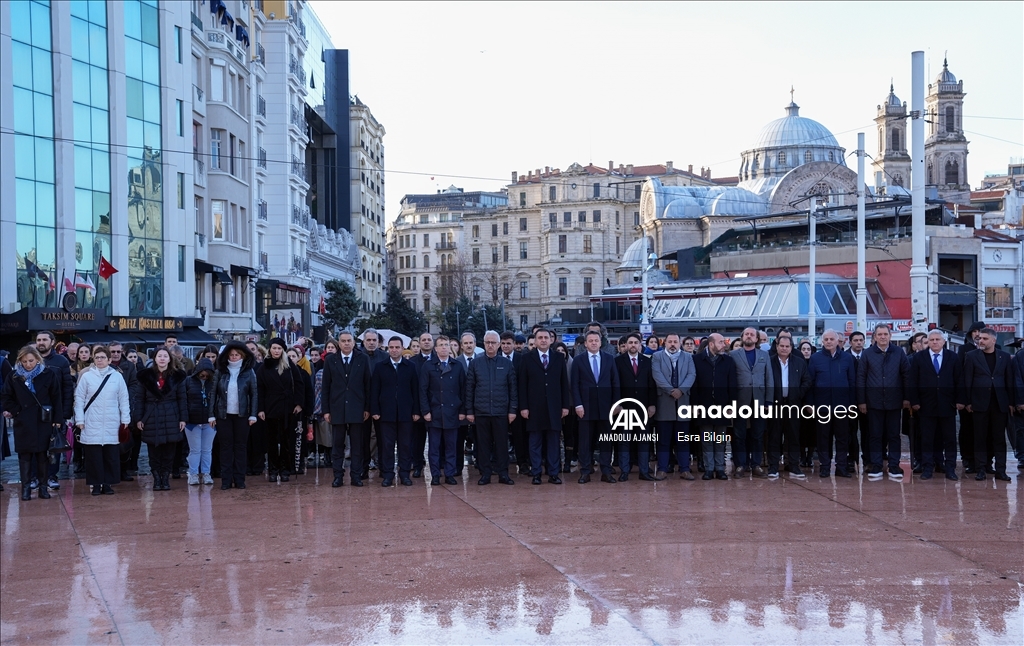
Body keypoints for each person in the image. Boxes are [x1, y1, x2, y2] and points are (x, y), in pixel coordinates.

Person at [2, 346, 63, 500]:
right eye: (24, 361)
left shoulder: (48, 374)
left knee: (43, 454)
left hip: (44, 420)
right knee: (25, 455)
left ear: (37, 359)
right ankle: (26, 488)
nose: (28, 364)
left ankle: (43, 488)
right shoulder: (14, 376)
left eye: (31, 361)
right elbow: (6, 396)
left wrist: (57, 420)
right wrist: (17, 411)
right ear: (19, 361)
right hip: (23, 421)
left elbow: (56, 397)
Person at [73, 346, 131, 496]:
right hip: (91, 420)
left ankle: (108, 483)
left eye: (103, 357)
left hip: (112, 421)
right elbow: (79, 399)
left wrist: (125, 419)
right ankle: (96, 484)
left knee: (110, 455)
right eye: (97, 357)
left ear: (109, 360)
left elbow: (124, 399)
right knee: (94, 456)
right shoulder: (86, 376)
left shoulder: (117, 376)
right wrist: (79, 419)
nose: (100, 360)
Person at [857, 324, 910, 481]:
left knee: (894, 435)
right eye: (879, 334)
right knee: (875, 435)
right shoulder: (867, 354)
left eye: (885, 334)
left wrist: (907, 397)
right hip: (874, 402)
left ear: (890, 336)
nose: (882, 337)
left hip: (894, 401)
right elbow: (861, 378)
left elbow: (906, 375)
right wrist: (862, 401)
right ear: (874, 337)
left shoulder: (899, 353)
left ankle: (894, 465)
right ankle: (876, 465)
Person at [907, 330, 962, 480]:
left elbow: (959, 380)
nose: (935, 342)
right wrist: (915, 401)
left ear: (944, 341)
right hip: (926, 405)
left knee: (950, 439)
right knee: (927, 438)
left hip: (947, 405)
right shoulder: (919, 358)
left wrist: (959, 400)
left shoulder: (953, 357)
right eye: (931, 340)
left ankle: (950, 468)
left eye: (938, 339)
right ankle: (927, 468)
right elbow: (913, 381)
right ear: (927, 342)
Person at [518, 328, 570, 485]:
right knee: (535, 442)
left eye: (546, 337)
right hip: (534, 408)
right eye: (539, 337)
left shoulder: (559, 358)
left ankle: (553, 473)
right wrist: (524, 407)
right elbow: (522, 385)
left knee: (554, 442)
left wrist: (565, 406)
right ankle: (536, 473)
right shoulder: (527, 358)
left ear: (551, 340)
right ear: (535, 340)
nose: (543, 340)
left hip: (554, 407)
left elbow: (563, 383)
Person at [962, 328, 1015, 481]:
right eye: (979, 338)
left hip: (1000, 403)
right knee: (979, 438)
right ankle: (980, 469)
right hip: (979, 403)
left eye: (985, 338)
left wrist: (1011, 402)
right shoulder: (971, 356)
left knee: (999, 438)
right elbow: (967, 380)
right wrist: (968, 401)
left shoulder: (1004, 357)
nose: (981, 341)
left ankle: (1000, 470)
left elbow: (1009, 380)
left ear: (993, 340)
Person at [466, 331, 518, 485]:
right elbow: (469, 388)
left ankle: (503, 474)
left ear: (498, 344)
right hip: (481, 411)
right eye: (487, 342)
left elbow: (512, 389)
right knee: (482, 445)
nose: (490, 345)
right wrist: (469, 410)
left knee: (502, 445)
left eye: (493, 342)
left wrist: (512, 410)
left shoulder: (506, 363)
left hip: (501, 411)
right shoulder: (476, 363)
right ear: (484, 344)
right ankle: (485, 474)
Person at [321, 332, 372, 487]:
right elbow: (326, 387)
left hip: (357, 408)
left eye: (349, 341)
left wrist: (367, 408)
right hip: (337, 408)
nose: (346, 344)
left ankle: (356, 475)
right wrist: (326, 410)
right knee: (337, 445)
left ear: (354, 342)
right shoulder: (330, 360)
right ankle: (338, 476)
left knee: (357, 444)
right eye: (343, 341)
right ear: (339, 343)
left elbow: (367, 385)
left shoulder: (363, 359)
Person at [570, 330, 620, 483]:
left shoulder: (610, 359)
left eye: (596, 340)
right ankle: (585, 471)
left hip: (606, 407)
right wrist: (578, 404)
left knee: (606, 441)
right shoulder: (578, 360)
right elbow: (575, 385)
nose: (593, 343)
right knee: (585, 441)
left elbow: (615, 383)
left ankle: (606, 471)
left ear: (600, 342)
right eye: (590, 340)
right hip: (585, 407)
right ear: (585, 343)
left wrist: (616, 404)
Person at [371, 337, 420, 487]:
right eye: (391, 347)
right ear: (387, 348)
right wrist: (375, 410)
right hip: (386, 413)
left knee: (405, 445)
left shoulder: (410, 366)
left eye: (397, 347)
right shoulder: (380, 366)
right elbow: (374, 390)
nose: (394, 350)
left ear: (402, 348)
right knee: (387, 446)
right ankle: (387, 475)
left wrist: (416, 410)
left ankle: (404, 474)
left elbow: (415, 390)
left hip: (406, 413)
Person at [807, 330, 856, 479]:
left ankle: (841, 467)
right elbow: (810, 383)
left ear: (838, 341)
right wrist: (810, 404)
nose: (828, 341)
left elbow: (852, 382)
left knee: (842, 438)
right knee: (823, 438)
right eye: (826, 339)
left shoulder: (848, 358)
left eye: (831, 339)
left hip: (842, 406)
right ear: (822, 341)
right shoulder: (815, 358)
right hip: (822, 406)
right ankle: (825, 467)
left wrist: (852, 404)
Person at [137, 347, 187, 491]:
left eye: (165, 356)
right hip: (151, 415)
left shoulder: (178, 376)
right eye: (160, 356)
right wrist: (139, 418)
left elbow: (182, 398)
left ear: (170, 359)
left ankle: (165, 479)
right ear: (155, 358)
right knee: (153, 450)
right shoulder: (145, 376)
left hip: (171, 415)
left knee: (169, 450)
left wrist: (183, 418)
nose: (162, 358)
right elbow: (139, 399)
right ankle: (156, 479)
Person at [419, 335, 466, 486]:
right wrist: (425, 411)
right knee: (434, 447)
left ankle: (450, 474)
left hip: (452, 413)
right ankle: (435, 475)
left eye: (446, 344)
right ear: (436, 348)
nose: (444, 347)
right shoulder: (428, 366)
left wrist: (462, 410)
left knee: (451, 447)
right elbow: (423, 390)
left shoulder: (457, 365)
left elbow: (463, 390)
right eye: (441, 345)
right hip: (434, 413)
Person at [211, 341, 258, 490]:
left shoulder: (249, 372)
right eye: (231, 355)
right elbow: (213, 393)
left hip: (242, 416)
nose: (234, 357)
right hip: (223, 415)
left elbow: (254, 394)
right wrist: (211, 415)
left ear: (242, 356)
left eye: (237, 354)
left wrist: (253, 415)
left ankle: (239, 479)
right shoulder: (220, 371)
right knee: (225, 447)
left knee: (240, 447)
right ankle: (226, 480)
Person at [257, 339, 305, 483]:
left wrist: (298, 403)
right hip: (270, 406)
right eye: (274, 348)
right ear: (270, 349)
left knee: (286, 440)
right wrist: (260, 409)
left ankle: (285, 470)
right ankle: (273, 470)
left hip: (287, 407)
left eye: (279, 348)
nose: (276, 351)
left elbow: (299, 384)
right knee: (271, 441)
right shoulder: (263, 367)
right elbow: (259, 390)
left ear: (282, 350)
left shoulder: (289, 365)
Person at [692, 333, 737, 481]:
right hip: (703, 406)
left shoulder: (728, 361)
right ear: (711, 344)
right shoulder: (697, 360)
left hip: (723, 405)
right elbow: (694, 385)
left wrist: (732, 405)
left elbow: (732, 385)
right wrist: (696, 406)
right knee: (706, 439)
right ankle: (708, 469)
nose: (724, 345)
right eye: (720, 342)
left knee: (720, 439)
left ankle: (720, 468)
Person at [729, 327, 774, 478]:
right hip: (740, 400)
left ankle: (756, 464)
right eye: (746, 334)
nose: (749, 336)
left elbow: (769, 378)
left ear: (757, 339)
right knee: (739, 434)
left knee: (758, 434)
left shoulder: (764, 355)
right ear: (742, 337)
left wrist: (768, 401)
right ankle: (740, 465)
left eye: (752, 334)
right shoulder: (733, 355)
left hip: (759, 400)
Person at [33, 331, 74, 491]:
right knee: (36, 445)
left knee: (54, 444)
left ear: (52, 342)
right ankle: (35, 477)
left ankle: (51, 476)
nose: (41, 342)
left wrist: (65, 412)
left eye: (44, 339)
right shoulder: (31, 359)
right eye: (38, 339)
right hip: (34, 411)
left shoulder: (61, 361)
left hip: (55, 411)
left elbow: (67, 387)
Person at [652, 333, 696, 480]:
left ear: (680, 343)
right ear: (665, 343)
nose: (672, 344)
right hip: (664, 401)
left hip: (683, 402)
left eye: (675, 342)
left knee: (683, 440)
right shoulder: (657, 357)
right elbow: (657, 375)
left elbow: (692, 375)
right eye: (669, 341)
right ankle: (662, 469)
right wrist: (671, 390)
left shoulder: (688, 357)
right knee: (664, 440)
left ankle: (684, 469)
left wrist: (681, 390)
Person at [613, 333, 657, 481]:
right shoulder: (618, 361)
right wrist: (617, 403)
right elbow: (615, 385)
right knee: (624, 441)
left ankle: (644, 471)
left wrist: (652, 404)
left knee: (644, 441)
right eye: (630, 342)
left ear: (640, 344)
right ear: (626, 345)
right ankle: (624, 471)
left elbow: (652, 384)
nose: (633, 345)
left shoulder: (647, 361)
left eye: (635, 342)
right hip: (624, 407)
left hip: (643, 408)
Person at [767, 336, 811, 479]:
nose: (784, 348)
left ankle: (794, 466)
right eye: (782, 346)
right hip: (775, 405)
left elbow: (806, 380)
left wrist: (797, 394)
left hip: (793, 405)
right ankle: (773, 467)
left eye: (787, 346)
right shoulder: (770, 361)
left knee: (793, 437)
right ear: (777, 346)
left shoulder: (799, 362)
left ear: (791, 348)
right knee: (774, 436)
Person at [109, 341, 142, 482]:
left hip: (125, 408)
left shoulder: (129, 366)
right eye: (113, 351)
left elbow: (135, 384)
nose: (116, 354)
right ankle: (112, 472)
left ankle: (124, 470)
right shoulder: (104, 365)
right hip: (108, 408)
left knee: (125, 441)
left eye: (118, 351)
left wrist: (123, 396)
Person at [407, 332, 437, 478]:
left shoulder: (440, 359)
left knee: (436, 441)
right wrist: (415, 410)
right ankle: (418, 466)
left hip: (436, 408)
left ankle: (437, 467)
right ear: (419, 343)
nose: (426, 342)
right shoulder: (412, 362)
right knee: (417, 441)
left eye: (429, 340)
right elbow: (411, 388)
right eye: (423, 340)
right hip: (418, 409)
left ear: (433, 342)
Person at [957, 321, 985, 472]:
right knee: (967, 429)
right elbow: (961, 375)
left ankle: (986, 461)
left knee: (986, 430)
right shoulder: (964, 350)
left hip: (987, 398)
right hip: (967, 397)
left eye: (980, 331)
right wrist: (964, 399)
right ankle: (967, 458)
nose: (977, 334)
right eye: (974, 331)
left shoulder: (996, 349)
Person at [183, 358, 217, 485]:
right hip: (192, 422)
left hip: (210, 422)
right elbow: (184, 401)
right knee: (195, 450)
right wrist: (185, 418)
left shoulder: (213, 383)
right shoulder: (188, 381)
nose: (205, 374)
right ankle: (193, 474)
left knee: (207, 449)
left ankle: (206, 473)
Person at [847, 331, 870, 473]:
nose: (859, 343)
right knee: (850, 432)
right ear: (850, 342)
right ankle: (851, 459)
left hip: (867, 402)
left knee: (867, 432)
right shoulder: (844, 357)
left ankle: (868, 460)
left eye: (861, 340)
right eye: (855, 340)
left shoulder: (869, 356)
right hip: (849, 402)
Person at [455, 332, 478, 470]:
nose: (469, 345)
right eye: (466, 343)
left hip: (479, 408)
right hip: (460, 409)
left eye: (471, 343)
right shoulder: (455, 362)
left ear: (475, 344)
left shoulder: (482, 359)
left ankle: (481, 464)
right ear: (461, 346)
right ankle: (457, 467)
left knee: (481, 439)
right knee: (459, 439)